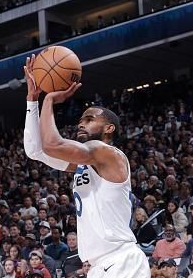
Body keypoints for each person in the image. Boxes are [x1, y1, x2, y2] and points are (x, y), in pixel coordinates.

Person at [23, 55, 150, 277]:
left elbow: (52, 144)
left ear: (109, 128)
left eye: (89, 119)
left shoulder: (107, 153)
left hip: (122, 261)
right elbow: (35, 150)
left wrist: (49, 100)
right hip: (99, 266)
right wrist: (32, 100)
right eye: (81, 119)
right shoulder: (85, 163)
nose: (81, 123)